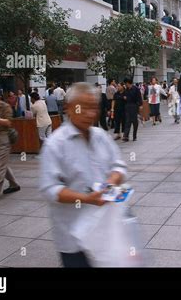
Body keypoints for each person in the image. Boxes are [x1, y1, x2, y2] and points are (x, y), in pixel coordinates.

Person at [39, 82, 127, 268]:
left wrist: (110, 182)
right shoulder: (55, 144)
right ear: (68, 108)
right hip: (73, 238)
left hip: (106, 231)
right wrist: (86, 198)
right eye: (83, 107)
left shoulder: (101, 136)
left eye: (93, 107)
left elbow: (119, 166)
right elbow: (50, 189)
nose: (90, 113)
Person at [122, 78, 143, 142]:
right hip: (128, 106)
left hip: (134, 106)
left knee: (135, 122)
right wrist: (124, 98)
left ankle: (134, 136)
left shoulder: (136, 89)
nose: (125, 85)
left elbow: (139, 97)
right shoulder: (126, 90)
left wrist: (140, 105)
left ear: (128, 83)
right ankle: (126, 136)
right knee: (127, 121)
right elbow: (124, 97)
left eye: (125, 83)